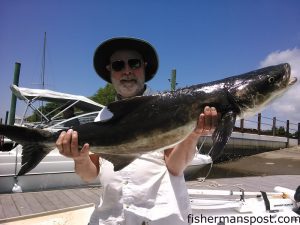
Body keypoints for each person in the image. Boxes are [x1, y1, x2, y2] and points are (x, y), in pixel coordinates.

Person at [56, 37, 218, 225]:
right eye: (118, 65)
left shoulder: (165, 108)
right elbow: (90, 174)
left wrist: (193, 133)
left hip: (161, 217)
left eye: (134, 63)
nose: (127, 71)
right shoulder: (102, 116)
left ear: (144, 67)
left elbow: (175, 167)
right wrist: (80, 158)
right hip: (110, 219)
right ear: (110, 71)